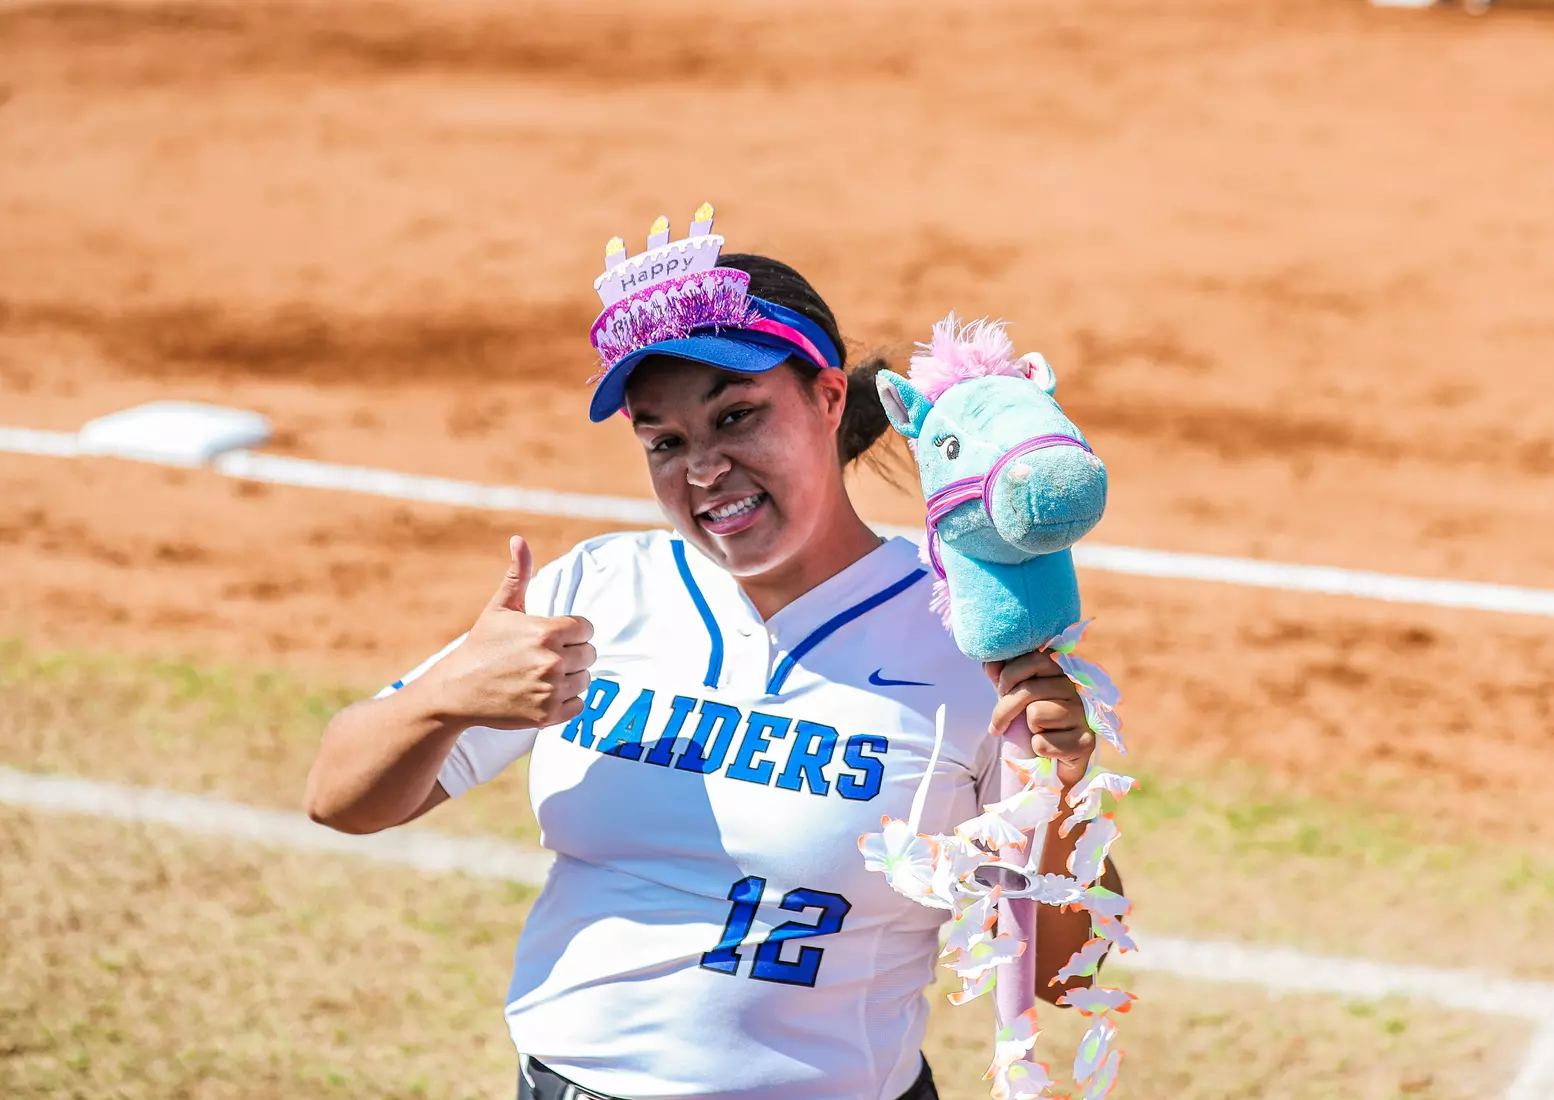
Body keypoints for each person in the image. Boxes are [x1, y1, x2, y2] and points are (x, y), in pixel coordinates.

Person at [305, 235, 1120, 1100]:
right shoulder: (597, 591)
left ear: (828, 396)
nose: (702, 467)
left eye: (736, 417)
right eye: (664, 441)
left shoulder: (961, 638)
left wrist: (1061, 795)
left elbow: (1066, 976)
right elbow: (340, 799)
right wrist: (442, 699)